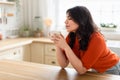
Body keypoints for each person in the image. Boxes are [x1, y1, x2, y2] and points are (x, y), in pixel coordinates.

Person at [51, 6, 120, 75]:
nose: (65, 22)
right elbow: (63, 64)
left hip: (111, 68)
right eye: (66, 18)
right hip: (95, 68)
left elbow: (81, 70)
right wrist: (58, 44)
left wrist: (65, 46)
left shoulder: (97, 39)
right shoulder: (72, 35)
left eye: (70, 18)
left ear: (81, 20)